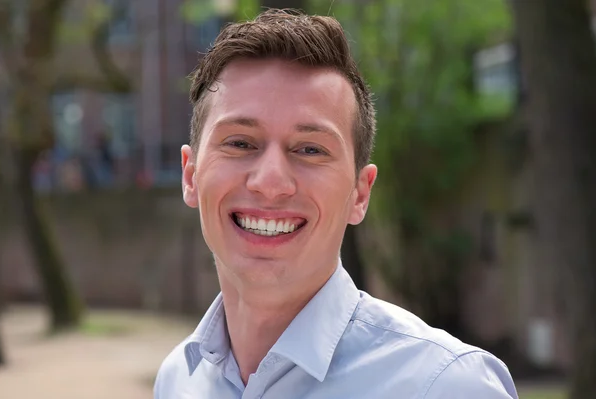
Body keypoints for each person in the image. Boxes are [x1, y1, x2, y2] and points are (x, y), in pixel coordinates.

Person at [154, 9, 519, 399]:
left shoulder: (447, 386)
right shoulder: (178, 380)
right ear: (190, 175)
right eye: (240, 143)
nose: (270, 182)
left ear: (360, 194)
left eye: (310, 149)